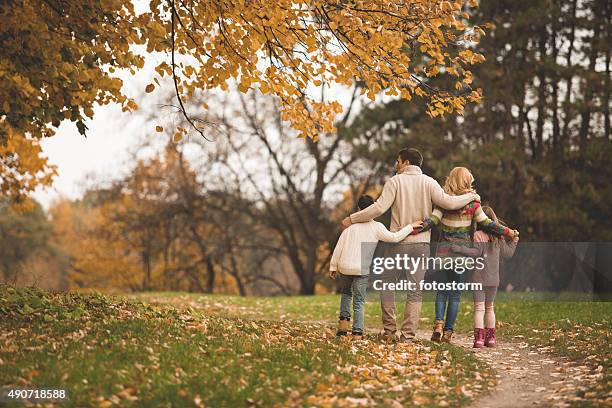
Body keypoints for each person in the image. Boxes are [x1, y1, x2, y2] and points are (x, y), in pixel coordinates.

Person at [341, 148, 480, 343]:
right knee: (415, 291)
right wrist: (472, 197)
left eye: (397, 161)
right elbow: (449, 202)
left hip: (398, 242)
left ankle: (389, 331)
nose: (395, 165)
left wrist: (352, 218)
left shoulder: (395, 182)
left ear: (406, 162)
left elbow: (379, 208)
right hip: (421, 245)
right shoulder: (429, 182)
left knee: (387, 285)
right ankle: (408, 336)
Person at [414, 167, 519, 344]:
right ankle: (448, 332)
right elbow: (488, 224)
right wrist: (508, 232)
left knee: (441, 291)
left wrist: (416, 228)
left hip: (444, 253)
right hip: (461, 257)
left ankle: (438, 324)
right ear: (467, 181)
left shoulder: (443, 202)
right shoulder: (473, 205)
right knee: (455, 294)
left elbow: (433, 221)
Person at [330, 195, 422, 339]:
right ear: (373, 208)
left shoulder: (350, 227)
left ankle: (343, 327)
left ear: (359, 209)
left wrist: (333, 266)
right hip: (361, 269)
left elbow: (339, 247)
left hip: (345, 267)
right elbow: (394, 238)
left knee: (346, 294)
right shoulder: (376, 227)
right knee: (359, 301)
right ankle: (357, 333)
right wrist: (410, 227)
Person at [451, 206, 519, 347]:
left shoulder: (478, 235)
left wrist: (459, 249)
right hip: (493, 279)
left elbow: (476, 252)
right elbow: (508, 253)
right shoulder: (498, 237)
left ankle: (479, 339)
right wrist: (514, 241)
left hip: (479, 278)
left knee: (479, 309)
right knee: (490, 308)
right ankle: (491, 338)